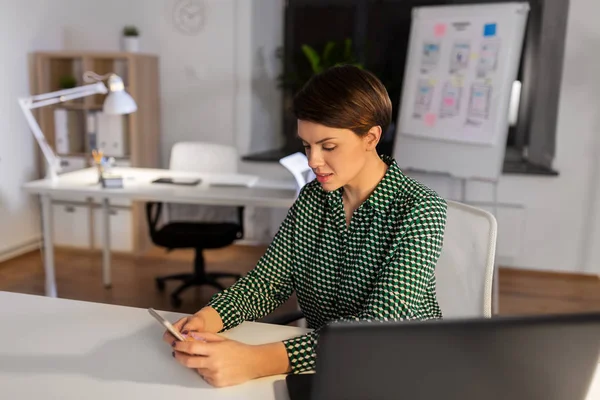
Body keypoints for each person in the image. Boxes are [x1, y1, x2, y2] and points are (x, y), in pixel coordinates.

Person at [163, 65, 447, 387]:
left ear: (371, 137)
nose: (313, 161)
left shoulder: (420, 209)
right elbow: (268, 283)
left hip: (403, 371)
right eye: (307, 146)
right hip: (326, 367)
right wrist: (206, 320)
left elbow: (375, 328)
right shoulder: (314, 199)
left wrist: (255, 360)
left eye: (328, 146)